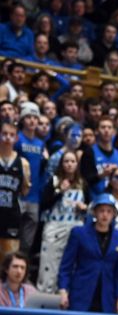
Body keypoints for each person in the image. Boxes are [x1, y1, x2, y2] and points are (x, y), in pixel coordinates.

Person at [57, 193, 118, 314]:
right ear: (94, 212)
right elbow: (66, 265)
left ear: (114, 214)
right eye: (101, 211)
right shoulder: (79, 233)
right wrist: (63, 291)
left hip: (107, 296)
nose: (105, 215)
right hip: (81, 293)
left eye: (109, 211)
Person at [37, 150, 87, 293]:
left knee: (71, 264)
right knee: (49, 263)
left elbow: (89, 208)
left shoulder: (82, 183)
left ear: (77, 165)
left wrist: (84, 208)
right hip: (54, 226)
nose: (69, 164)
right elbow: (44, 204)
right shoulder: (54, 180)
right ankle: (45, 294)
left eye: (72, 161)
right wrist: (59, 191)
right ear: (61, 164)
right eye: (66, 161)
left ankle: (65, 295)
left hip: (75, 227)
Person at [14, 101, 48, 254]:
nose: (32, 121)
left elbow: (42, 171)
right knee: (12, 237)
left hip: (35, 197)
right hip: (18, 195)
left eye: (35, 117)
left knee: (27, 243)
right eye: (28, 117)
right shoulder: (17, 139)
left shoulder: (41, 144)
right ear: (22, 119)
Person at [0, 120, 30, 263]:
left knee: (9, 261)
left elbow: (25, 190)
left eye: (11, 134)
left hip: (11, 216)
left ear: (16, 138)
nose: (7, 137)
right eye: (4, 134)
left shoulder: (23, 163)